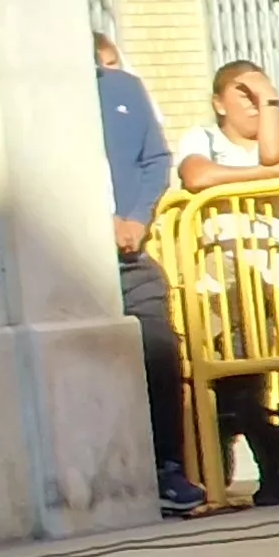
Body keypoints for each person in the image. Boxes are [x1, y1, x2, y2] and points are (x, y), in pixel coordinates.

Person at [169, 59, 279, 508]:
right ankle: (270, 464)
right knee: (238, 383)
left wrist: (271, 106)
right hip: (225, 283)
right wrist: (264, 177)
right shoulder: (203, 138)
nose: (255, 106)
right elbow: (197, 177)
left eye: (265, 97)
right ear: (218, 103)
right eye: (244, 96)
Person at [93, 40, 196, 516]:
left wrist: (136, 217)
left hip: (130, 257)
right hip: (69, 258)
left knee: (158, 344)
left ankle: (167, 468)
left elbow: (156, 160)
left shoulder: (123, 90)